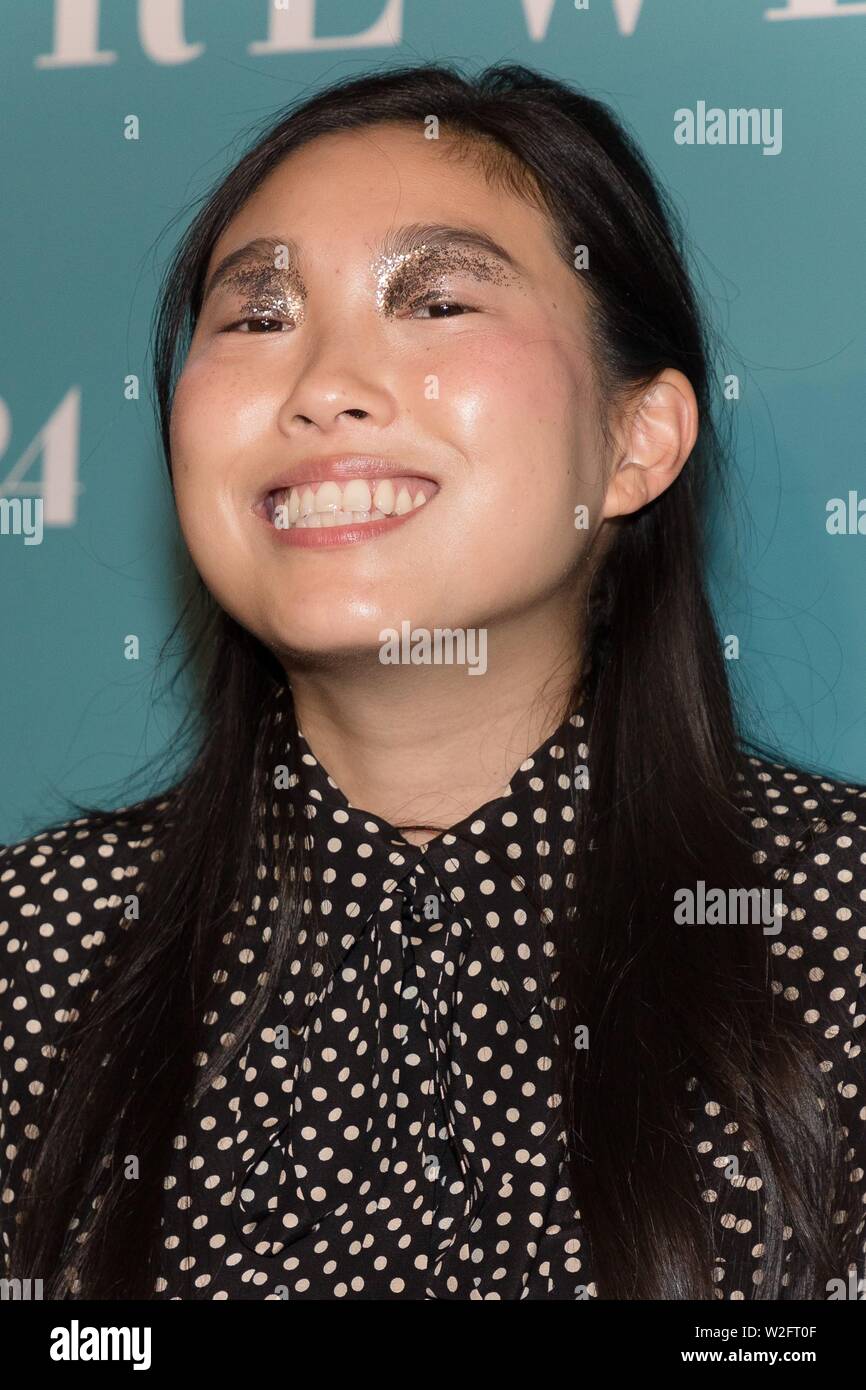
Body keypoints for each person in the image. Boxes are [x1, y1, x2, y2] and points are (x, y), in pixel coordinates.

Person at [1, 62, 863, 1302]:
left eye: (438, 302)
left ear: (634, 441)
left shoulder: (832, 926)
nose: (323, 388)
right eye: (256, 318)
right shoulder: (42, 946)